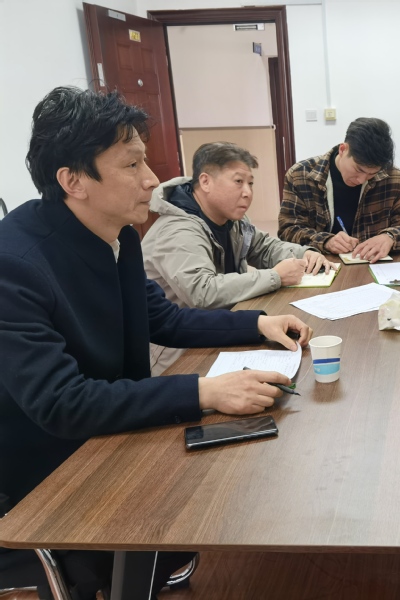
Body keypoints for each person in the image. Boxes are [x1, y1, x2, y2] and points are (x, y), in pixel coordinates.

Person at [0, 86, 313, 598]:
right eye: (132, 165)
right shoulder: (14, 265)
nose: (152, 179)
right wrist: (205, 391)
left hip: (112, 432)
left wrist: (257, 325)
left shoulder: (118, 233)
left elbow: (163, 319)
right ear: (73, 181)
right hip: (47, 471)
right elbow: (60, 403)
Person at [142, 141, 335, 375]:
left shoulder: (232, 219)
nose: (248, 192)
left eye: (250, 183)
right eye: (238, 182)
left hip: (225, 327)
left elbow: (264, 247)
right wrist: (275, 276)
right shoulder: (177, 230)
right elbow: (203, 293)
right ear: (205, 181)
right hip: (178, 354)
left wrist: (304, 253)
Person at [278, 117, 400, 263]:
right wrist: (326, 241)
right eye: (358, 170)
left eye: (372, 174)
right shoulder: (300, 176)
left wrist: (389, 237)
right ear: (343, 150)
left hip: (376, 266)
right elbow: (288, 230)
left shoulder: (394, 178)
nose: (361, 180)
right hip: (322, 266)